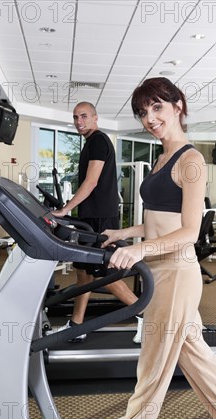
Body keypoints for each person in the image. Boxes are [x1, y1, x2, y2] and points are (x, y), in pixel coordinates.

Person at [66, 78, 216, 419]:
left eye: (157, 108)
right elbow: (159, 221)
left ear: (177, 105)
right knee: (201, 364)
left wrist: (140, 250)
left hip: (176, 273)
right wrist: (126, 234)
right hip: (159, 270)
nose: (150, 119)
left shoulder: (191, 161)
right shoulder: (162, 157)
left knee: (153, 370)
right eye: (143, 112)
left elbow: (189, 231)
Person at [52, 101, 143, 343]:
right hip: (90, 218)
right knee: (84, 274)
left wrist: (65, 210)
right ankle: (76, 325)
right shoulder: (91, 143)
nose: (79, 121)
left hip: (100, 219)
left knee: (104, 274)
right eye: (75, 117)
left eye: (83, 116)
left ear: (95, 118)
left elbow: (91, 182)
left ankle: (147, 314)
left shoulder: (99, 141)